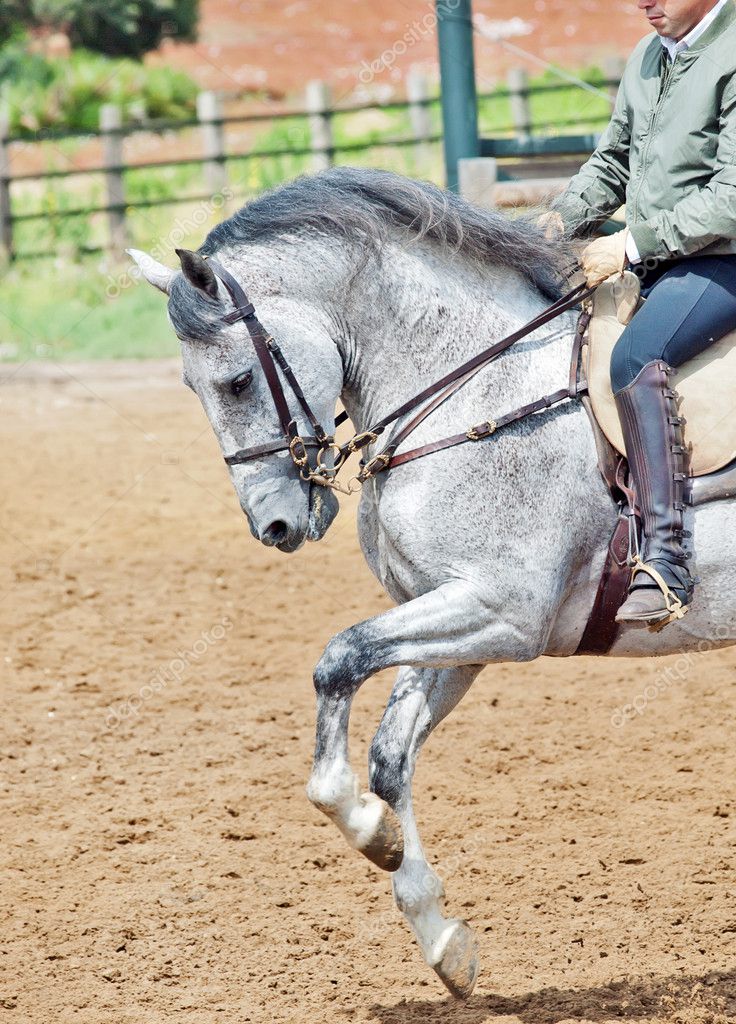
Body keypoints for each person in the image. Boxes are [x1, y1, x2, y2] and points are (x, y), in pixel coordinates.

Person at [542, 0, 736, 628]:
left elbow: (731, 200)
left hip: (724, 258)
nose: (644, 2)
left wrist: (629, 244)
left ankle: (668, 560)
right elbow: (612, 165)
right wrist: (550, 227)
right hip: (663, 255)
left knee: (635, 357)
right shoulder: (650, 57)